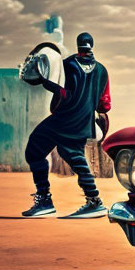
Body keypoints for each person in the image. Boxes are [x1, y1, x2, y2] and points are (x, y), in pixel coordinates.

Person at [22, 32, 111, 218]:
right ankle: (94, 201)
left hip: (63, 119)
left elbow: (59, 91)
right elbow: (105, 105)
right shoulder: (102, 71)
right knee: (74, 156)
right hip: (83, 122)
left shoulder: (68, 64)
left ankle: (45, 200)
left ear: (78, 45)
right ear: (91, 45)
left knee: (34, 150)